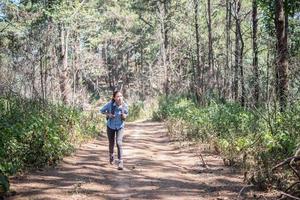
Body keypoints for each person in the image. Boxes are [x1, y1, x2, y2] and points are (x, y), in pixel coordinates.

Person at [100, 91, 128, 170]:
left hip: (120, 127)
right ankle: (111, 155)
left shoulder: (124, 105)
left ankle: (120, 162)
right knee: (111, 143)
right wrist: (108, 114)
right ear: (114, 98)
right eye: (118, 96)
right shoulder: (110, 104)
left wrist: (124, 115)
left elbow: (126, 115)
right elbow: (101, 110)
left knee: (119, 143)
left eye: (121, 96)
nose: (120, 98)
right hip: (110, 126)